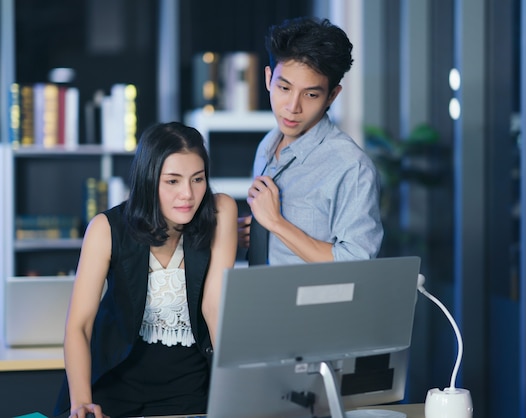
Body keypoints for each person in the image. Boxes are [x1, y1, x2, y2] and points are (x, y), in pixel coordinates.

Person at [54, 122, 238, 418]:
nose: (188, 195)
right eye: (173, 181)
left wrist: (235, 390)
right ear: (149, 179)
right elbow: (79, 326)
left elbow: (214, 307)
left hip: (189, 388)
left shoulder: (220, 212)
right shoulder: (106, 228)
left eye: (197, 179)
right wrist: (81, 402)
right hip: (115, 384)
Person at [239, 16, 383, 265]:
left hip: (311, 304)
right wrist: (256, 230)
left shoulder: (351, 167)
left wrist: (276, 223)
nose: (293, 107)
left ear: (332, 96)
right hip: (262, 296)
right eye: (284, 88)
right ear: (268, 79)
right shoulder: (267, 146)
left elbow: (357, 265)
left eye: (311, 94)